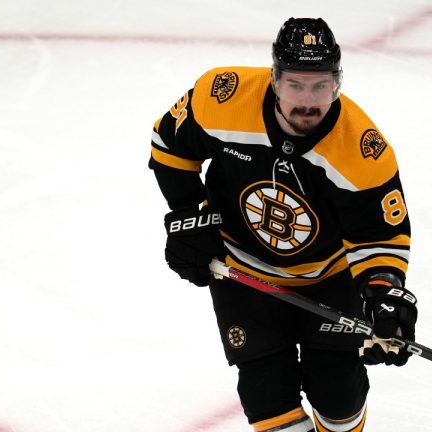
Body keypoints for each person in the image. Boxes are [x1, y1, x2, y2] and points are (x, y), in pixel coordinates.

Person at [149, 17, 417, 432]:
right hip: (242, 272)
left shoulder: (362, 151)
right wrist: (190, 214)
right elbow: (169, 145)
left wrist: (382, 292)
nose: (307, 100)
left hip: (328, 276)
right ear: (274, 80)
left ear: (337, 83)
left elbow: (380, 235)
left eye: (320, 85)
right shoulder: (223, 97)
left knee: (339, 393)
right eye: (295, 84)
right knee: (265, 394)